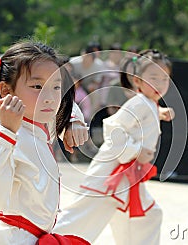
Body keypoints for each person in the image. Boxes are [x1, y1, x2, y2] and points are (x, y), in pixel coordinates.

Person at [0, 40, 89, 245]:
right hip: (11, 237)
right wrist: (6, 133)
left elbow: (67, 104)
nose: (49, 97)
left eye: (55, 86)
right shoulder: (13, 135)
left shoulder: (40, 120)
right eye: (37, 86)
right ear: (5, 90)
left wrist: (71, 122)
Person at [53, 49, 175, 245]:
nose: (160, 84)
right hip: (110, 173)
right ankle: (49, 241)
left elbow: (143, 115)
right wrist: (136, 151)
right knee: (81, 216)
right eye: (154, 78)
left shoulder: (148, 104)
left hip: (126, 176)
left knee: (148, 216)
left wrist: (159, 112)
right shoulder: (140, 103)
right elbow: (113, 128)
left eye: (165, 79)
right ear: (138, 81)